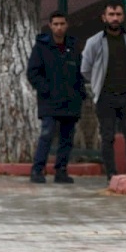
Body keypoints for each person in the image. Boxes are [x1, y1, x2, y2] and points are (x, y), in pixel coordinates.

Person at [81, 1, 126, 181]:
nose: (115, 18)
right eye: (111, 14)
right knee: (108, 137)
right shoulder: (94, 42)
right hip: (105, 97)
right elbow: (85, 69)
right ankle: (111, 174)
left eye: (118, 14)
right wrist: (97, 85)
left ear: (123, 16)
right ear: (104, 17)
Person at [26, 10, 87, 184]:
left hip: (70, 100)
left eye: (62, 24)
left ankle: (61, 170)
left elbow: (80, 71)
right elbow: (33, 72)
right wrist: (46, 89)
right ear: (50, 26)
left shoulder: (73, 46)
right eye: (55, 24)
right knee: (46, 134)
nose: (59, 28)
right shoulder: (41, 47)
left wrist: (80, 92)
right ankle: (37, 170)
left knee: (67, 138)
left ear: (67, 25)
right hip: (49, 101)